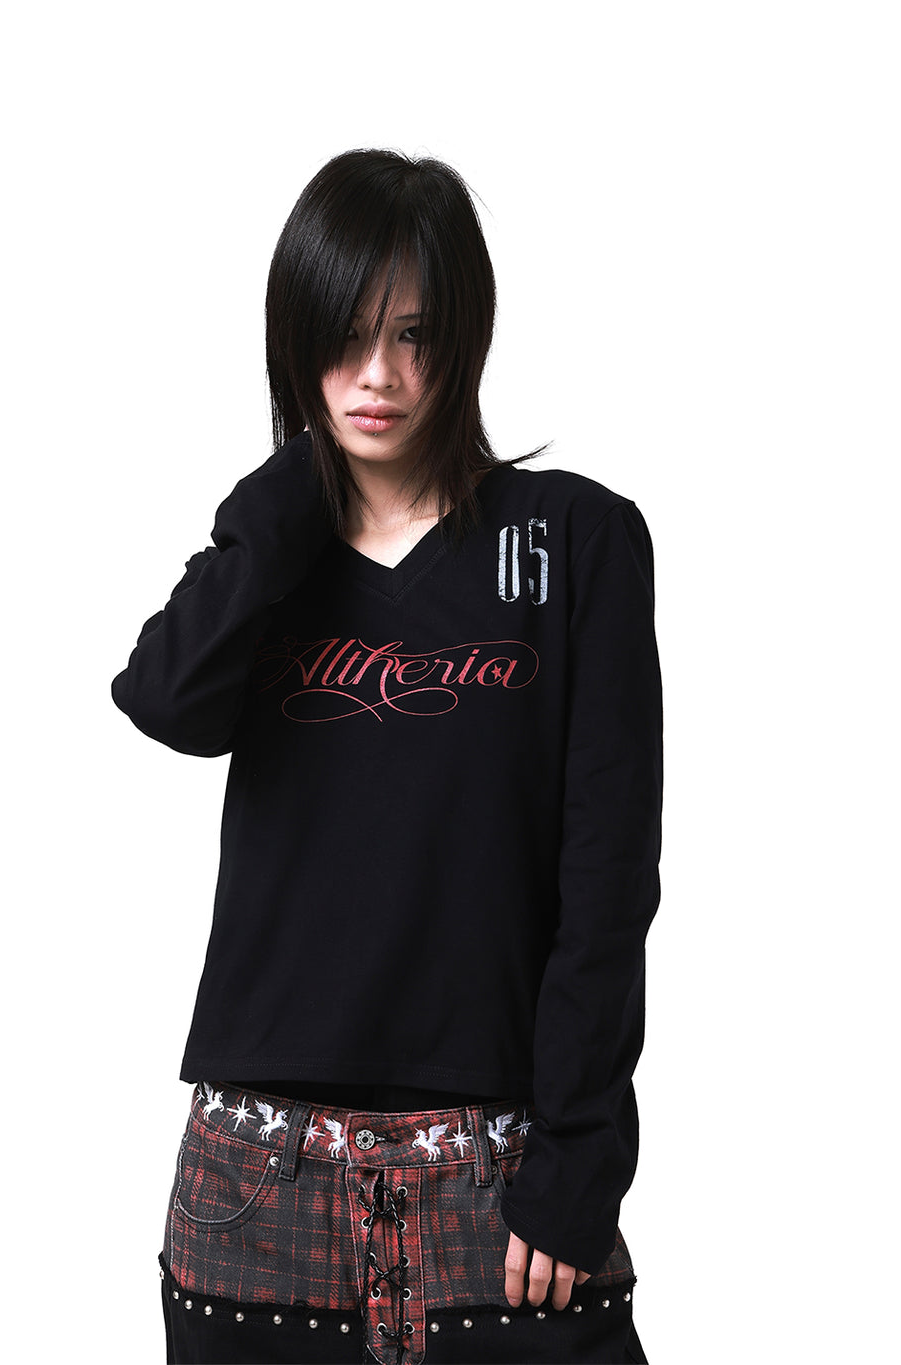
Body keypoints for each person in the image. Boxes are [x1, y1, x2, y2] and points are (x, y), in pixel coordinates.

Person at [111, 148, 662, 1365]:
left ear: (464, 337)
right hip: (257, 1178)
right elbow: (163, 699)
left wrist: (579, 1158)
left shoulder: (573, 542)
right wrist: (284, 500)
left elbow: (608, 880)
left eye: (414, 334)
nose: (379, 374)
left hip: (501, 1172)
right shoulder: (271, 556)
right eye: (348, 333)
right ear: (295, 335)